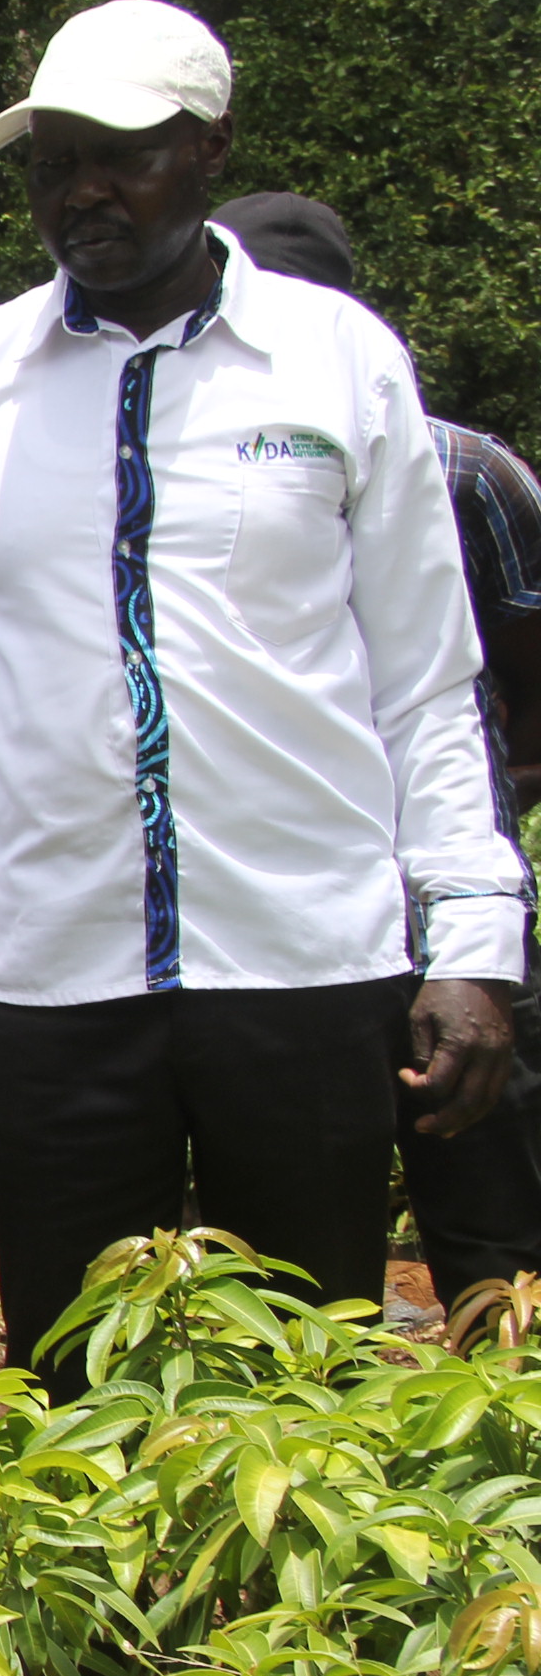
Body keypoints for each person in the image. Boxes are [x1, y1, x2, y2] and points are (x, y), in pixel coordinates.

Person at [0, 1, 521, 1381]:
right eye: (51, 159)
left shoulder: (338, 361)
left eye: (118, 154)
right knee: (73, 1384)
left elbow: (428, 680)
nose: (80, 190)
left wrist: (476, 937)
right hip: (59, 976)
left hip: (306, 963)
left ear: (208, 148)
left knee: (308, 1386)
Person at [209, 189, 541, 1316]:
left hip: (444, 895)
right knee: (303, 1216)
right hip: (286, 918)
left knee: (485, 1179)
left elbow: (525, 689)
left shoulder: (468, 476)